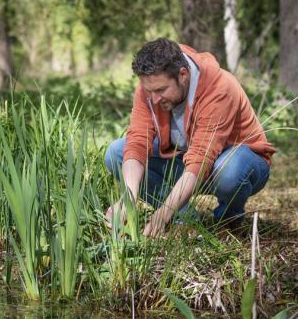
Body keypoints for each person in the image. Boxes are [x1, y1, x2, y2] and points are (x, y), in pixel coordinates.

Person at [104, 38, 275, 236]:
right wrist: (129, 197)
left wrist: (164, 213)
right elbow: (138, 141)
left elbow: (200, 160)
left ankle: (228, 220)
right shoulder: (151, 85)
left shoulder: (219, 88)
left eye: (161, 90)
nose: (154, 99)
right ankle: (184, 218)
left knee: (229, 169)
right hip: (186, 160)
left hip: (240, 165)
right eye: (149, 91)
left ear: (183, 75)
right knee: (116, 153)